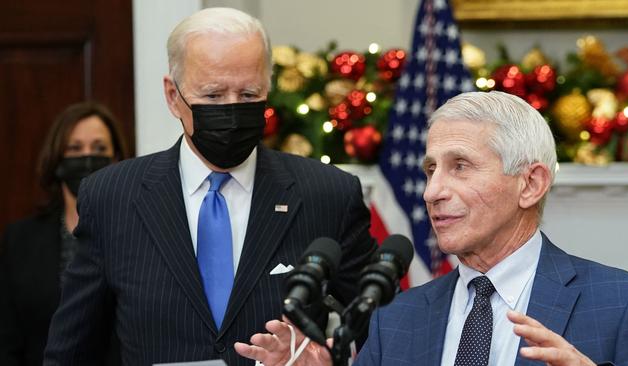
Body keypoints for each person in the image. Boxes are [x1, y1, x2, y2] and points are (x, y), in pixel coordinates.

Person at [43, 7, 376, 366]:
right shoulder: (113, 197)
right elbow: (71, 351)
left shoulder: (327, 195)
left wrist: (332, 359)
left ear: (268, 89)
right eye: (213, 96)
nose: (232, 110)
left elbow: (385, 329)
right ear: (173, 96)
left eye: (248, 95)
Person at [234, 91, 628, 366]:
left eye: (460, 167)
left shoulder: (624, 305)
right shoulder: (394, 319)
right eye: (431, 170)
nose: (433, 192)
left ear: (531, 183)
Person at [0, 101, 128, 366]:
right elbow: (7, 338)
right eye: (75, 148)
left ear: (116, 158)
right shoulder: (20, 240)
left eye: (99, 148)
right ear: (57, 159)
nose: (87, 158)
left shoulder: (136, 232)